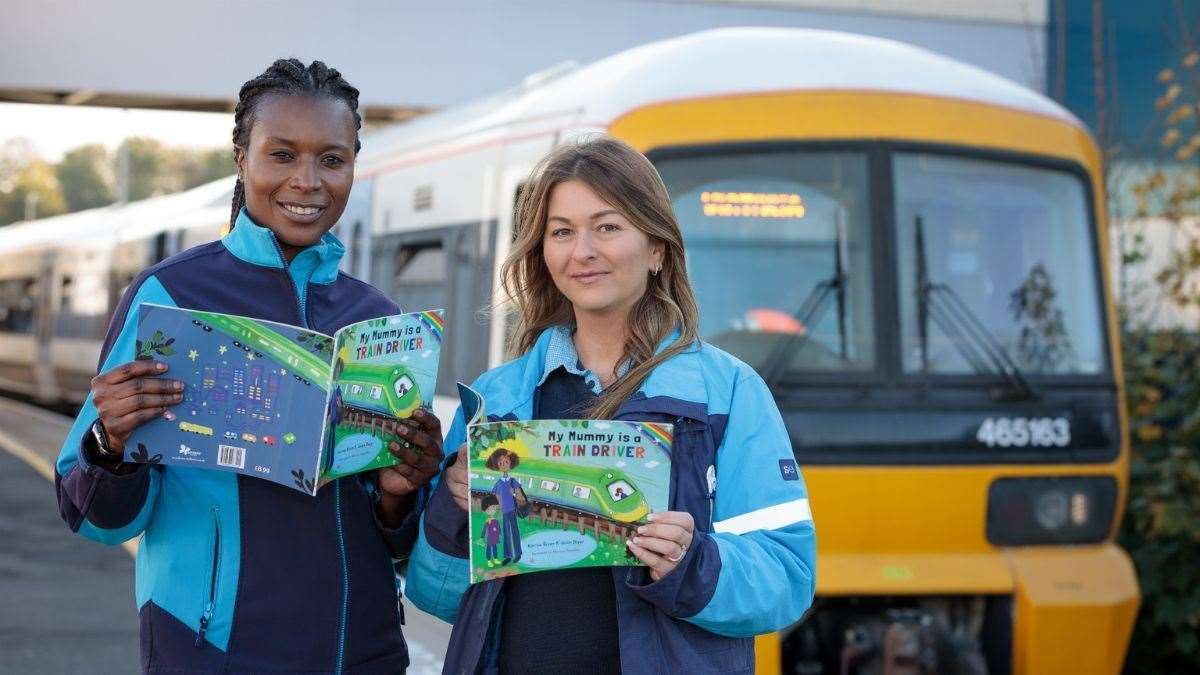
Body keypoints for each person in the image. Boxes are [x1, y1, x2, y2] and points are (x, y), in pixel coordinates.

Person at [53, 59, 442, 674]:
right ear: (241, 157)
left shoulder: (377, 319)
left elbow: (399, 541)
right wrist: (110, 443)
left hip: (362, 651)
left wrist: (401, 494)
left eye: (332, 160)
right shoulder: (170, 297)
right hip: (211, 648)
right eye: (282, 155)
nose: (308, 181)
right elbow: (95, 518)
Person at [406, 136, 816, 674]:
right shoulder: (495, 399)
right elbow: (437, 595)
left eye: (608, 226)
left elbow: (787, 579)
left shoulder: (729, 393)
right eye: (562, 232)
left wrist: (690, 563)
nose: (583, 251)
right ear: (543, 251)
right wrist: (454, 511)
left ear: (656, 248)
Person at [485, 447, 524, 564]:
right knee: (506, 532)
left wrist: (514, 493)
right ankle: (507, 555)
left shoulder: (513, 481)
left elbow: (520, 496)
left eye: (506, 462)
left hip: (512, 510)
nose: (504, 465)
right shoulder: (498, 483)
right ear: (497, 466)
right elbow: (496, 496)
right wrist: (499, 507)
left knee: (515, 532)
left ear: (510, 463)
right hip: (504, 511)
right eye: (500, 463)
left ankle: (517, 553)